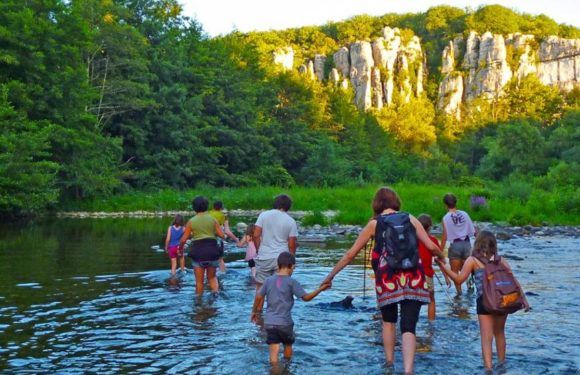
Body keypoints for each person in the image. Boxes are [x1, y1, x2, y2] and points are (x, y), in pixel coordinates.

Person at [321, 187, 445, 374]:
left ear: (377, 204)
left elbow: (350, 255)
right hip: (413, 277)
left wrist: (330, 276)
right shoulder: (411, 218)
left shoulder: (374, 224)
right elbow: (430, 246)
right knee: (409, 326)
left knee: (389, 322)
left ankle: (389, 365)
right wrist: (442, 257)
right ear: (395, 202)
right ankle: (408, 370)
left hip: (387, 278)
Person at [436, 231, 529, 372]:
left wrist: (443, 267)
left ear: (477, 244)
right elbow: (514, 282)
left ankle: (488, 369)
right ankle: (502, 366)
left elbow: (459, 280)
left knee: (486, 337)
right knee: (500, 333)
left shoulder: (473, 261)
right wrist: (524, 301)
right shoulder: (501, 260)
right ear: (494, 245)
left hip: (484, 302)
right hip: (502, 300)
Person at [251, 252, 328, 364]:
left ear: (278, 266)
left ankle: (275, 371)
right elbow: (306, 298)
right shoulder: (292, 282)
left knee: (273, 356)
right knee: (287, 348)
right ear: (292, 266)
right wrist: (320, 289)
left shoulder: (268, 280)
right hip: (285, 323)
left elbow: (258, 297)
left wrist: (254, 312)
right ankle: (287, 369)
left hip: (270, 323)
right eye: (294, 268)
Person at [252, 194, 298, 313]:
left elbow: (256, 234)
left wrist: (259, 249)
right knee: (279, 290)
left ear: (276, 203)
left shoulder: (264, 215)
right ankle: (277, 316)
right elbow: (292, 244)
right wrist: (292, 259)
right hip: (282, 259)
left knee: (260, 289)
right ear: (288, 206)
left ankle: (257, 317)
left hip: (264, 256)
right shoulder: (291, 221)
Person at [180, 196, 226, 294]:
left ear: (194, 207)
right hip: (212, 251)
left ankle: (199, 303)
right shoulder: (213, 220)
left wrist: (180, 250)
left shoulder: (191, 221)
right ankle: (215, 296)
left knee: (199, 283)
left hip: (198, 252)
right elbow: (222, 235)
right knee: (212, 278)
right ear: (207, 206)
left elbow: (183, 239)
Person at [440, 193, 477, 295]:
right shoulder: (465, 214)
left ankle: (459, 294)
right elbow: (473, 231)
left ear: (445, 205)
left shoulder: (445, 218)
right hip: (466, 244)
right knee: (467, 270)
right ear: (456, 203)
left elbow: (445, 236)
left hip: (455, 245)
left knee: (455, 272)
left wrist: (440, 250)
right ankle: (469, 283)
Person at [417, 214, 451, 320]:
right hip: (427, 275)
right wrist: (446, 277)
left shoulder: (412, 240)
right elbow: (440, 260)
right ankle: (431, 325)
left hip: (413, 276)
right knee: (431, 300)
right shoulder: (433, 241)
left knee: (413, 302)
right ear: (429, 227)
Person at [209, 201, 239, 272]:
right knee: (220, 259)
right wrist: (236, 239)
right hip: (217, 240)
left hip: (206, 240)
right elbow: (227, 231)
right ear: (221, 208)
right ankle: (222, 274)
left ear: (213, 207)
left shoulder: (208, 214)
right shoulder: (223, 216)